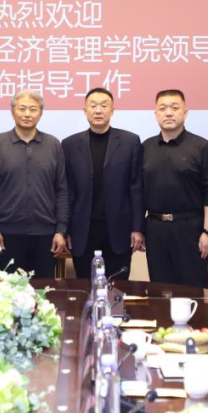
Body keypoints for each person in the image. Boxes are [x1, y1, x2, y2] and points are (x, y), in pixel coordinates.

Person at [0, 89, 68, 277]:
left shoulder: (53, 145)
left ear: (40, 114)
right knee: (8, 291)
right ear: (12, 112)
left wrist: (61, 230)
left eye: (33, 109)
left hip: (46, 234)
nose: (27, 114)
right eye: (22, 109)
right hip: (6, 234)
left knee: (43, 290)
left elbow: (61, 190)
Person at [62, 87, 144, 280]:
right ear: (85, 111)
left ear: (112, 110)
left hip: (119, 230)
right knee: (85, 285)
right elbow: (67, 191)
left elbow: (136, 188)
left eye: (104, 106)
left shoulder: (130, 142)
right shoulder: (69, 145)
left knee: (118, 286)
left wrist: (137, 228)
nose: (98, 110)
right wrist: (65, 230)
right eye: (93, 106)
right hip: (83, 230)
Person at [142, 89, 208, 289]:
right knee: (160, 291)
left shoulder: (202, 146)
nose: (169, 113)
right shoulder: (146, 147)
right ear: (156, 114)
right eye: (163, 108)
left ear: (185, 113)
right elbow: (139, 192)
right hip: (155, 229)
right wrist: (139, 229)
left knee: (193, 291)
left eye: (175, 108)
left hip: (190, 229)